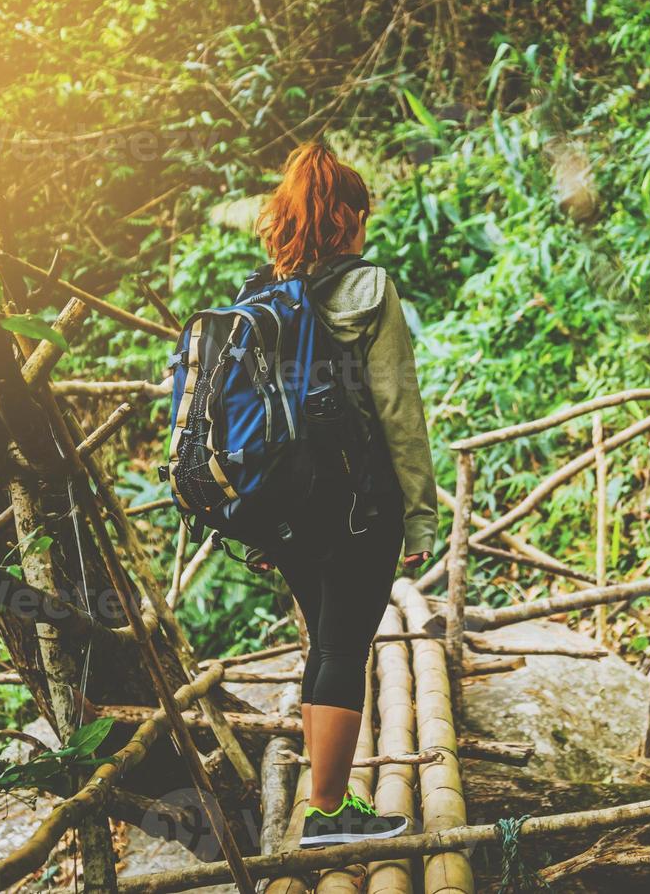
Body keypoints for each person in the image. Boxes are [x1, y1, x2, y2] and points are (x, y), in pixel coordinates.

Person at [252, 141, 437, 846]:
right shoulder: (368, 288)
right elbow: (398, 408)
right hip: (357, 505)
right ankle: (328, 814)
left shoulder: (260, 296)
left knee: (325, 643)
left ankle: (326, 801)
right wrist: (419, 517)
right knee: (342, 645)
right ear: (352, 219)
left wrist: (254, 523)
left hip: (284, 508)